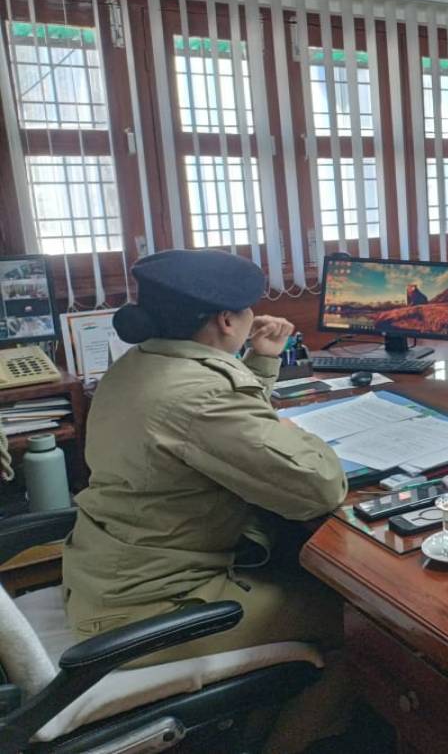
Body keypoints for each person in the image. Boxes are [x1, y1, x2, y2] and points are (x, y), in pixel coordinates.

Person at [61, 249, 350, 753]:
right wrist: (294, 431)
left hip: (106, 581)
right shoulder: (198, 396)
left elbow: (214, 427)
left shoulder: (140, 364)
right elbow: (319, 487)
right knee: (367, 627)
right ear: (225, 321)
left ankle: (258, 721)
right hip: (153, 611)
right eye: (246, 310)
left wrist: (261, 360)